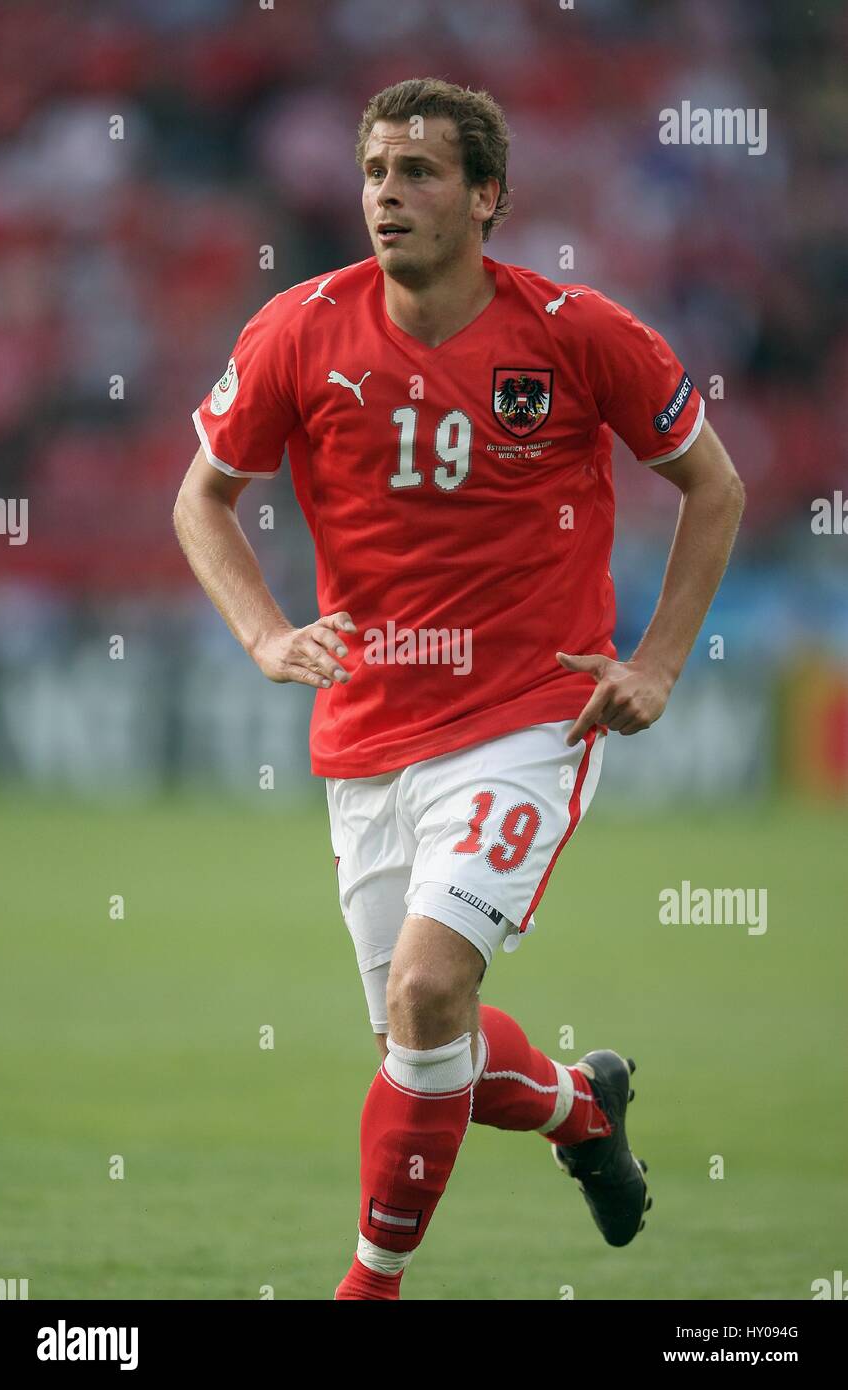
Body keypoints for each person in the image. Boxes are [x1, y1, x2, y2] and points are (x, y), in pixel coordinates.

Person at [174, 77, 745, 1301]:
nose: (389, 193)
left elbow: (716, 485)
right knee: (422, 1048)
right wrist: (269, 635)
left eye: (421, 172)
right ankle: (581, 1109)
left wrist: (655, 663)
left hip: (528, 718)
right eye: (377, 171)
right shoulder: (300, 329)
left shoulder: (578, 331)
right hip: (367, 729)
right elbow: (201, 497)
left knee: (432, 990)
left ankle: (368, 1287)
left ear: (487, 197)